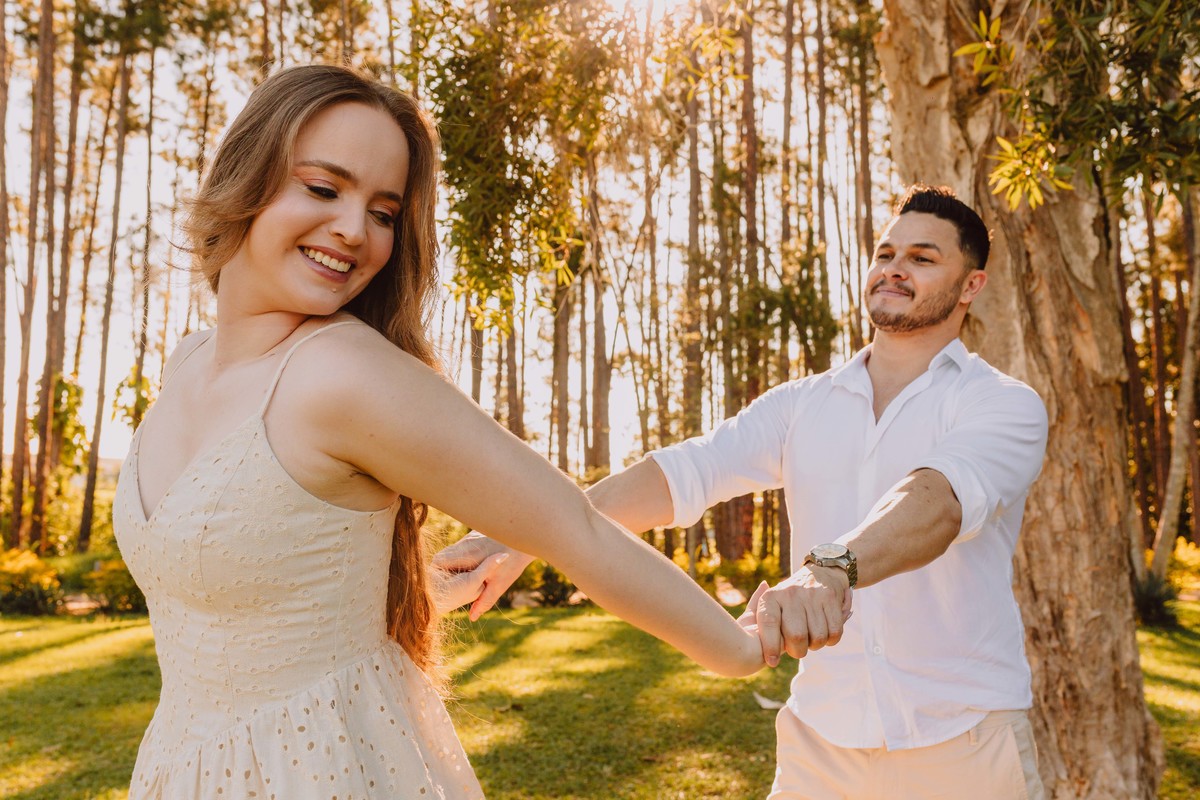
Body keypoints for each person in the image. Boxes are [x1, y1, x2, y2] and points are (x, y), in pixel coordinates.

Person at [111, 64, 765, 800]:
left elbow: (575, 528)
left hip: (320, 772)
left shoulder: (341, 373)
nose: (354, 230)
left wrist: (741, 650)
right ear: (244, 176)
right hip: (186, 769)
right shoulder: (188, 360)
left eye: (384, 212)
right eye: (323, 188)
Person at [438, 185, 1050, 799]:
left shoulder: (1002, 404)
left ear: (971, 285)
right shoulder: (801, 404)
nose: (894, 268)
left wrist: (830, 569)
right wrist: (523, 536)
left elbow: (938, 501)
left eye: (922, 258)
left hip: (965, 745)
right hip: (819, 747)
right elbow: (681, 474)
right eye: (885, 253)